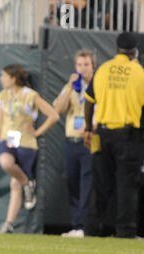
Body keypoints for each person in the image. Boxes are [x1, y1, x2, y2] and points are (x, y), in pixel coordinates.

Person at [0, 65, 59, 234]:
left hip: (26, 142)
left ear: (14, 78)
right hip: (7, 140)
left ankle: (9, 224)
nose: (1, 79)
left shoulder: (30, 95)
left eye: (4, 76)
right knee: (5, 162)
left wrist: (38, 132)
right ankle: (29, 184)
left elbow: (53, 115)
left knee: (15, 184)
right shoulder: (2, 96)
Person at [84, 32, 144, 239]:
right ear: (135, 51)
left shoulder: (103, 69)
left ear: (117, 49)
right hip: (128, 135)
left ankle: (92, 229)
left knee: (100, 183)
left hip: (101, 133)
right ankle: (125, 231)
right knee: (127, 184)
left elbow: (89, 100)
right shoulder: (139, 72)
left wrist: (87, 129)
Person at [53, 49, 96, 238]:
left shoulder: (98, 85)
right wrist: (69, 86)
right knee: (72, 181)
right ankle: (76, 225)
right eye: (79, 65)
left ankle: (84, 226)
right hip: (71, 141)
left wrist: (90, 127)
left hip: (90, 139)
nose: (82, 69)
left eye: (86, 65)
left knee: (87, 183)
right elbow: (58, 109)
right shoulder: (72, 86)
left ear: (93, 66)